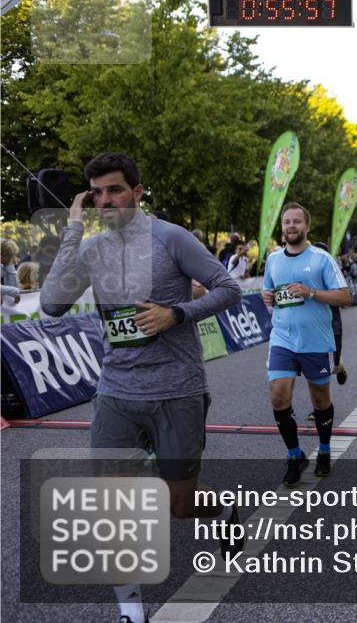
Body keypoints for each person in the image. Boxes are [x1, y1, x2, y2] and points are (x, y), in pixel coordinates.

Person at [39, 153, 243, 623]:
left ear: (137, 191)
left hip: (177, 389)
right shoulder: (91, 248)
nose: (106, 201)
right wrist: (72, 229)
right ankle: (131, 611)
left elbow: (228, 288)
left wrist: (176, 314)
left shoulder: (170, 237)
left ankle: (224, 511)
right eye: (97, 193)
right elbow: (51, 304)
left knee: (180, 504)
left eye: (115, 190)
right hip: (116, 391)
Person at [262, 203, 351, 486]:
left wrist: (311, 292)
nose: (291, 226)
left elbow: (345, 297)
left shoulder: (322, 259)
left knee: (320, 400)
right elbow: (269, 293)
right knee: (278, 396)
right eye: (287, 222)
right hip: (283, 339)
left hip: (316, 341)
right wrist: (267, 298)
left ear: (307, 226)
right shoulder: (273, 260)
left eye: (297, 221)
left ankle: (324, 449)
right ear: (282, 227)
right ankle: (294, 455)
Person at [312, 242, 350, 386]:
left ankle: (340, 365)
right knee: (320, 366)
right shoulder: (307, 273)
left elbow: (346, 299)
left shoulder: (334, 272)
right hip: (315, 323)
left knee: (334, 364)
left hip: (333, 322)